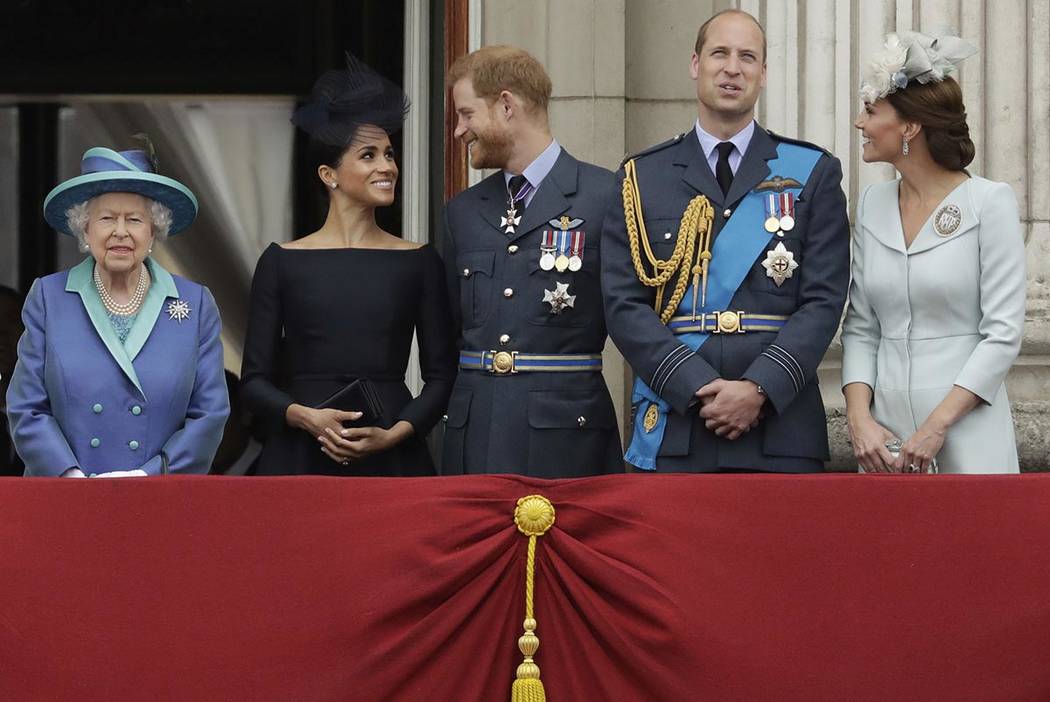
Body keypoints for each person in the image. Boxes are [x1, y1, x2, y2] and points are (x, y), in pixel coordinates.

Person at [602, 10, 850, 473]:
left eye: (747, 57)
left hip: (780, 427)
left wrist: (758, 388)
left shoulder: (811, 171)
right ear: (696, 64)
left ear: (763, 74)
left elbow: (824, 300)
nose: (732, 68)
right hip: (678, 424)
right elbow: (623, 303)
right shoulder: (642, 176)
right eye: (720, 53)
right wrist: (695, 385)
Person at [240, 55, 456, 476]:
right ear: (329, 174)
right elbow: (254, 383)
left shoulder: (419, 261)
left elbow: (443, 377)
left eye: (390, 154)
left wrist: (396, 432)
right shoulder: (281, 261)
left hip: (393, 455)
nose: (388, 167)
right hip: (299, 456)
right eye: (369, 155)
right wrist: (304, 417)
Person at [842, 32, 1024, 474]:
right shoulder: (871, 205)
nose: (859, 124)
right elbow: (862, 327)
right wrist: (859, 417)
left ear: (909, 127)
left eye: (871, 110)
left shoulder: (989, 202)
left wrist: (937, 426)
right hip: (884, 445)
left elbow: (1002, 334)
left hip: (967, 434)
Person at [442, 46, 623, 477]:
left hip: (567, 439)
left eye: (467, 114)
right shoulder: (462, 212)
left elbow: (635, 317)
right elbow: (450, 334)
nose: (458, 131)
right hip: (475, 434)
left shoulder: (605, 196)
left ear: (506, 106)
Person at [6, 144, 229, 476]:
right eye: (107, 218)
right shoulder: (49, 298)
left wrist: (147, 476)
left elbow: (209, 414)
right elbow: (27, 408)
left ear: (153, 230)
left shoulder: (195, 304)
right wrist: (70, 476)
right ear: (85, 228)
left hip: (159, 496)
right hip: (66, 497)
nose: (120, 232)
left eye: (135, 219)